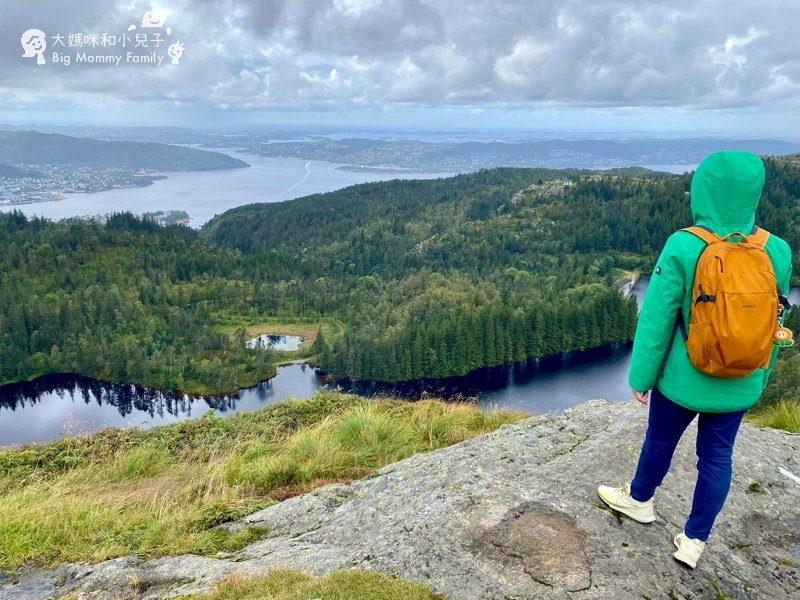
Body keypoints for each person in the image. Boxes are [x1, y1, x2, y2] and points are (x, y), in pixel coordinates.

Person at [597, 150, 793, 569]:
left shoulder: (684, 245)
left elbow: (656, 319)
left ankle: (639, 501)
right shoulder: (776, 250)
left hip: (683, 382)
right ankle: (694, 541)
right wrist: (759, 376)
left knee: (661, 442)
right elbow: (775, 327)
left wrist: (641, 377)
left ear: (703, 189)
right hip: (741, 381)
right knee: (717, 458)